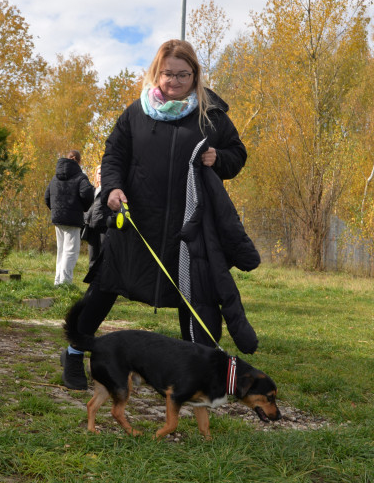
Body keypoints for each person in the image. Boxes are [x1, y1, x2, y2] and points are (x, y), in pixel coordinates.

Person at [60, 39, 260, 390]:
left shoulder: (210, 114)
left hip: (189, 226)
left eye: (183, 74)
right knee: (106, 286)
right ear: (156, 72)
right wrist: (112, 189)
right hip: (136, 223)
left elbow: (237, 153)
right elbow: (114, 155)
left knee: (193, 296)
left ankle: (199, 371)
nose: (174, 81)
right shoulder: (136, 113)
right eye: (168, 73)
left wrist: (219, 157)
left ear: (195, 74)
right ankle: (75, 351)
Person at [45, 149, 94, 286]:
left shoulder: (55, 177)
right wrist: (84, 208)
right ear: (79, 161)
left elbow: (47, 196)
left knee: (61, 250)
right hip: (73, 219)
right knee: (70, 251)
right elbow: (88, 194)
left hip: (58, 218)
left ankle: (58, 281)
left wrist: (56, 210)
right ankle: (65, 283)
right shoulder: (80, 177)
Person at [82, 165, 108, 266]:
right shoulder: (92, 190)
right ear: (96, 175)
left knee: (104, 256)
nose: (100, 175)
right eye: (99, 173)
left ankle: (104, 276)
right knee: (92, 257)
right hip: (91, 228)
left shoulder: (108, 191)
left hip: (104, 227)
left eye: (103, 173)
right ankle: (92, 276)